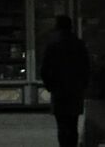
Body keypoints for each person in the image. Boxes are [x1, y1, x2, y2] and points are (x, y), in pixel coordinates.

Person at [38, 14, 90, 147]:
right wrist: (83, 85)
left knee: (62, 125)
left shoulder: (52, 45)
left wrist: (50, 86)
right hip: (75, 90)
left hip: (59, 90)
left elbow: (44, 69)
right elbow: (86, 67)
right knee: (73, 124)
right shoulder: (78, 44)